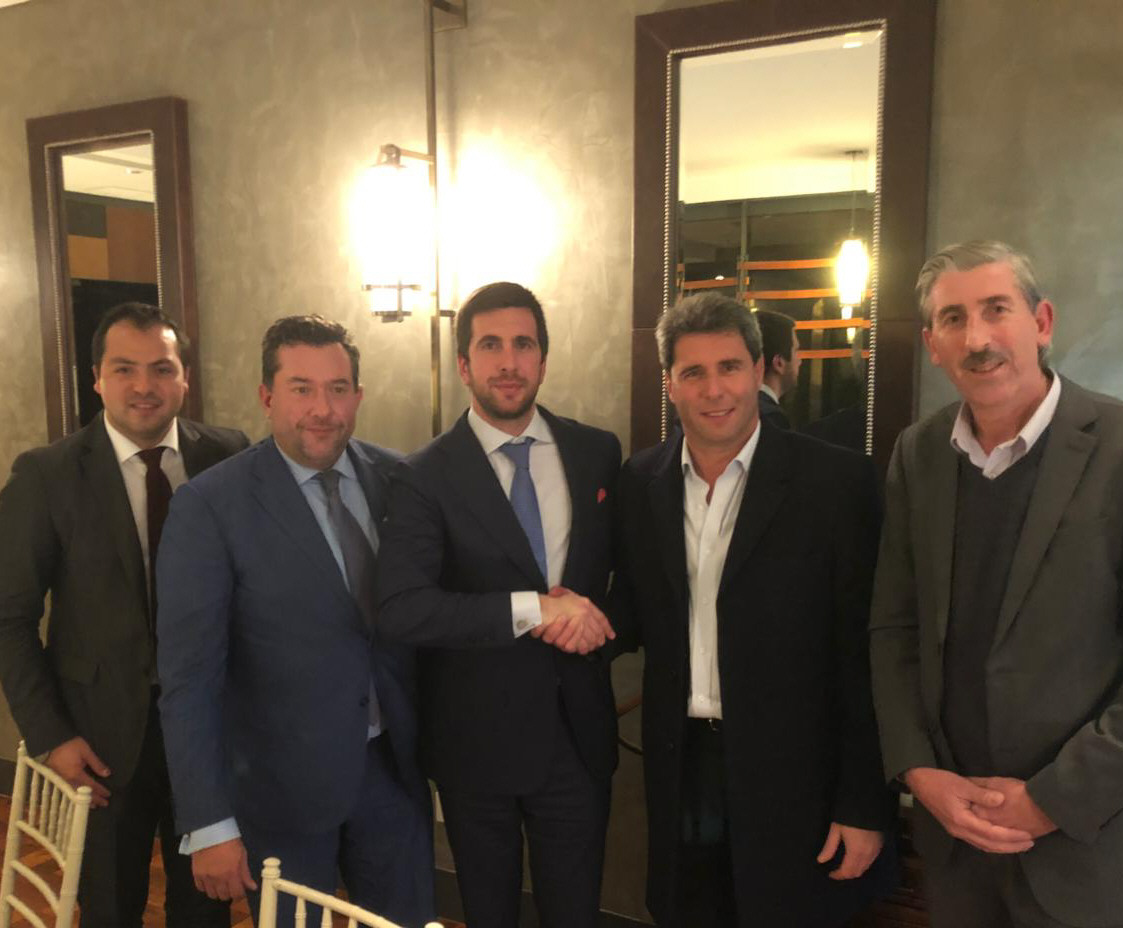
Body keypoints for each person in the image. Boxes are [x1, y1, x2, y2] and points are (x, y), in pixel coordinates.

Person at [870, 240, 1123, 928]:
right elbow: (894, 627)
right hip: (956, 849)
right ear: (932, 344)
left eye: (996, 309)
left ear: (1042, 322)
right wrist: (917, 772)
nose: (977, 338)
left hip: (1092, 854)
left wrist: (1052, 800)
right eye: (952, 319)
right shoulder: (919, 453)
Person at [609, 292, 894, 926]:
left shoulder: (837, 483)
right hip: (683, 764)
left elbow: (866, 653)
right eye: (694, 372)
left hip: (800, 773)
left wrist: (863, 801)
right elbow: (631, 607)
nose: (714, 389)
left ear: (759, 369)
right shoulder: (641, 482)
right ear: (670, 384)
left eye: (730, 367)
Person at [155, 316, 434, 926]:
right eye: (302, 388)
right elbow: (188, 679)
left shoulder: (400, 479)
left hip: (392, 774)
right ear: (267, 396)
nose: (322, 409)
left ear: (358, 395)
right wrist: (208, 822)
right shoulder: (210, 505)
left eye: (338, 389)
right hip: (279, 794)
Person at [376, 282, 620, 928]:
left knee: (576, 915)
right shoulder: (423, 474)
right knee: (488, 915)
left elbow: (622, 579)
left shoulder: (596, 453)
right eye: (490, 346)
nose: (508, 362)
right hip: (474, 746)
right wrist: (532, 610)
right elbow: (404, 608)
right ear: (463, 364)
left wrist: (595, 627)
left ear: (543, 359)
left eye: (523, 345)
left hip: (576, 738)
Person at [0, 302, 247, 928]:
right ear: (97, 379)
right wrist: (52, 736)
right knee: (109, 908)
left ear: (185, 377)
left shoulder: (230, 455)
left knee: (207, 908)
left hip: (210, 734)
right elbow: (8, 617)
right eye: (124, 369)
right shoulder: (47, 475)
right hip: (100, 744)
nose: (144, 386)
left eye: (162, 368)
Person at [754, 309, 800, 429]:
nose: (800, 361)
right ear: (779, 363)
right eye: (796, 351)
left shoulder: (736, 409)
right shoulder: (771, 417)